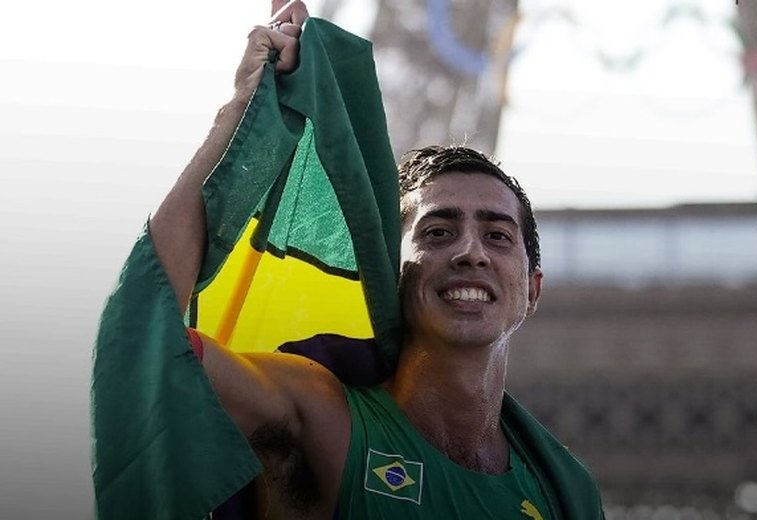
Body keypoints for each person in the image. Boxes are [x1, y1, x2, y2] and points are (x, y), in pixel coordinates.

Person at [149, 1, 602, 518]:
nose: (470, 252)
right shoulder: (322, 420)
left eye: (498, 236)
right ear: (392, 273)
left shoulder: (567, 490)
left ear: (533, 289)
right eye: (437, 231)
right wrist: (239, 116)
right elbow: (151, 341)